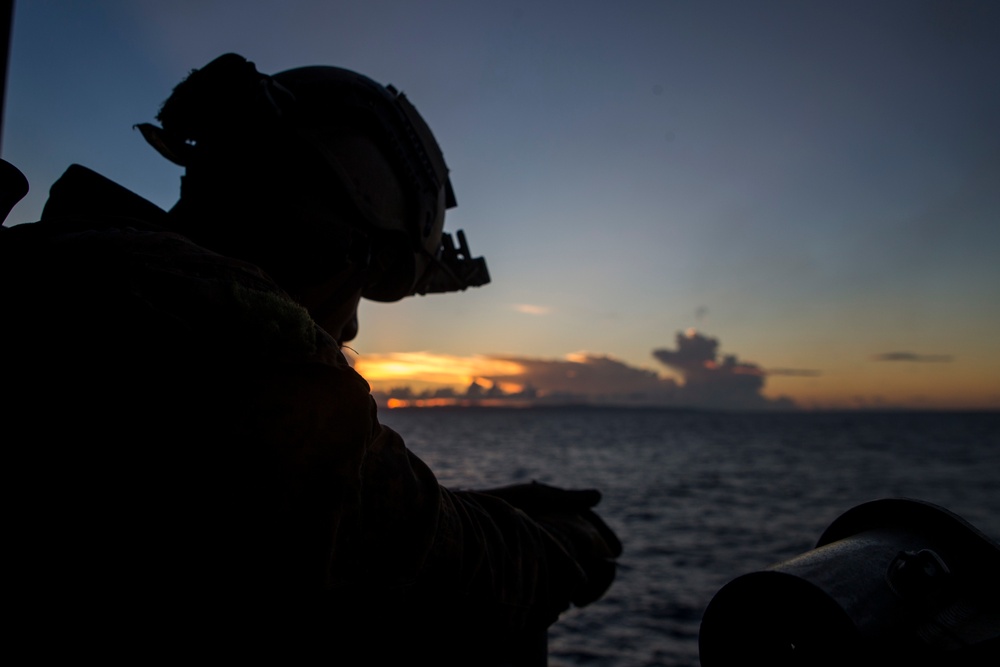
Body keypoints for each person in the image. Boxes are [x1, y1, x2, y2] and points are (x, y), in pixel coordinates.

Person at [1, 54, 620, 663]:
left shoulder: (69, 273)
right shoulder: (224, 337)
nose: (351, 321)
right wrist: (559, 545)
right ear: (342, 243)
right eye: (366, 277)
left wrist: (469, 509)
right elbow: (430, 564)